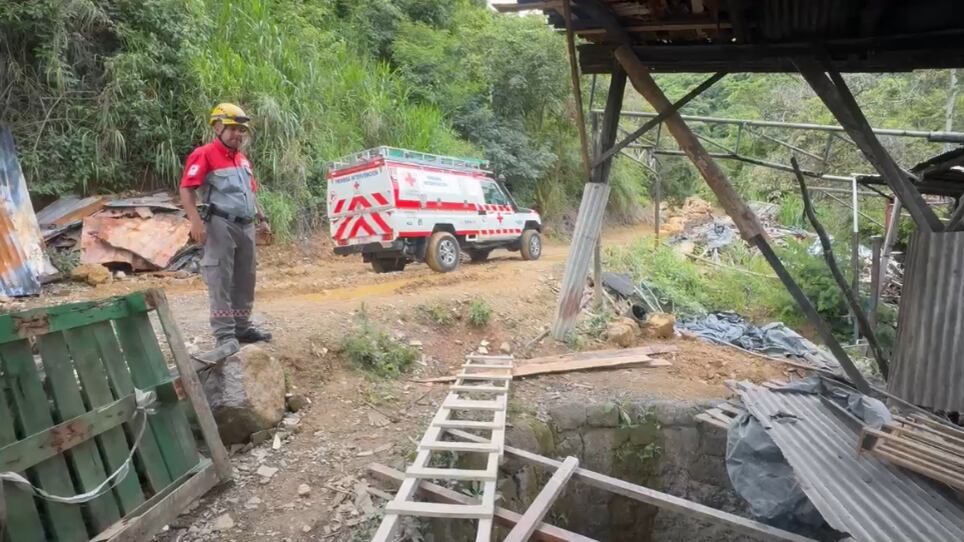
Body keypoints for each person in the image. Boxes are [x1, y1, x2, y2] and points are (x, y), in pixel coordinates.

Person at [179, 103, 272, 362]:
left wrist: (262, 218)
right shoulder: (204, 154)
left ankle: (241, 328)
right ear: (218, 127)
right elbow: (186, 188)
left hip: (246, 225)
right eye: (232, 129)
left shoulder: (242, 159)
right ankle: (224, 334)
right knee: (220, 276)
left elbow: (250, 192)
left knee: (246, 277)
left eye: (241, 130)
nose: (238, 134)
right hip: (221, 224)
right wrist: (195, 222)